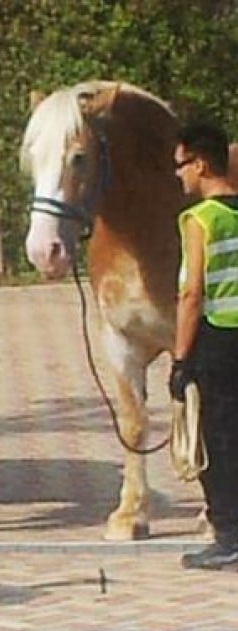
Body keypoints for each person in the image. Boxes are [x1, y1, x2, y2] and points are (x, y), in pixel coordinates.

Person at [170, 122, 238, 570]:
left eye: (180, 165)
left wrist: (180, 359)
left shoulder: (200, 218)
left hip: (215, 337)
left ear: (201, 163)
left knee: (216, 438)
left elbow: (192, 293)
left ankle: (228, 533)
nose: (177, 176)